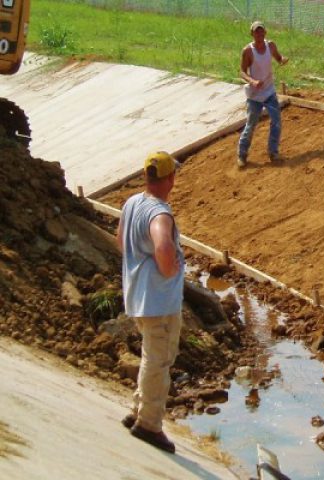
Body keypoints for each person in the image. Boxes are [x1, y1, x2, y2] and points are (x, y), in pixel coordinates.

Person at [116, 151, 184, 454]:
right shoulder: (159, 214)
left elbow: (120, 240)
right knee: (159, 361)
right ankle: (149, 424)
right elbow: (163, 245)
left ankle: (137, 411)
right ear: (170, 178)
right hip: (158, 301)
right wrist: (170, 268)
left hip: (137, 296)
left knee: (149, 356)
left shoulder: (132, 203)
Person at [237, 20, 289, 168]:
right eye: (256, 31)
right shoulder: (247, 51)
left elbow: (279, 58)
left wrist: (283, 60)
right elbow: (242, 72)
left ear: (265, 33)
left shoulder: (270, 46)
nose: (259, 34)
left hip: (269, 90)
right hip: (255, 94)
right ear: (252, 34)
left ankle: (273, 152)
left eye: (261, 31)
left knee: (276, 120)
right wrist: (252, 81)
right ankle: (242, 154)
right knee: (251, 124)